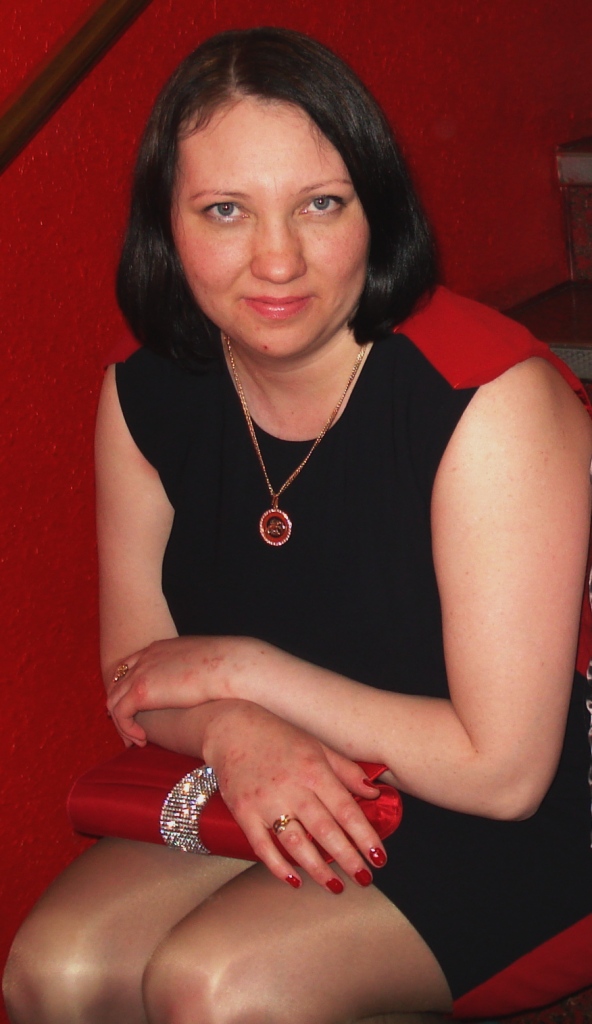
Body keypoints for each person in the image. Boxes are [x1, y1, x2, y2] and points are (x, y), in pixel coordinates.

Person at [4, 25, 592, 1024]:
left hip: (520, 801)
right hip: (281, 762)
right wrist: (232, 729)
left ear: (376, 209)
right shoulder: (144, 391)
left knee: (219, 988)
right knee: (55, 970)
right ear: (165, 226)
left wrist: (243, 674)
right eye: (224, 210)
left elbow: (503, 771)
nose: (276, 260)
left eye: (321, 204)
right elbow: (137, 676)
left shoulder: (485, 399)